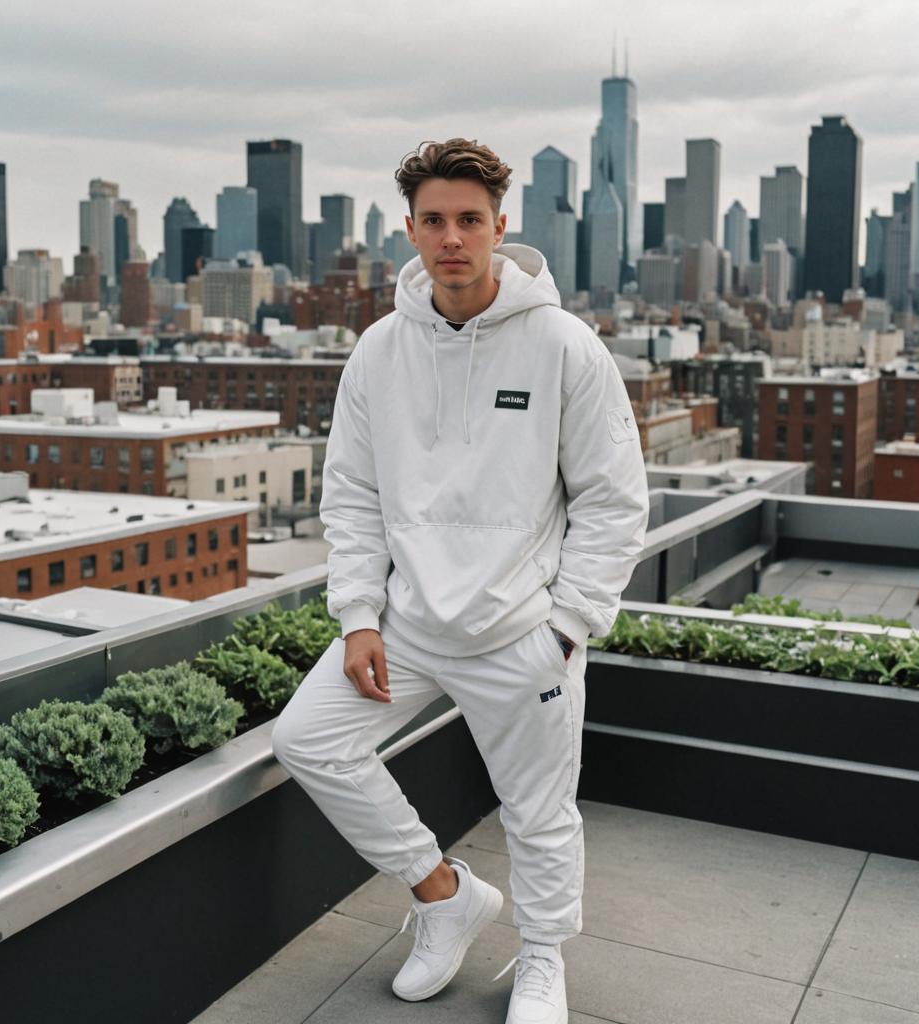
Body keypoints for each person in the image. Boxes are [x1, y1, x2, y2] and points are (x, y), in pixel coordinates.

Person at [272, 138, 649, 1024]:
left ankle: (544, 959)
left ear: (499, 227)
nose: (451, 237)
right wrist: (359, 614)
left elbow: (612, 499)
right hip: (407, 625)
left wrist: (566, 628)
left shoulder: (564, 347)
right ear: (409, 229)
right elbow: (353, 497)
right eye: (434, 221)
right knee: (309, 740)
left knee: (539, 814)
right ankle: (442, 894)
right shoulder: (377, 352)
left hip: (522, 632)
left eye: (468, 220)